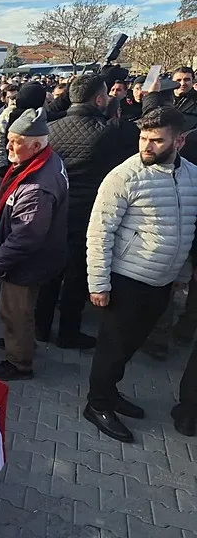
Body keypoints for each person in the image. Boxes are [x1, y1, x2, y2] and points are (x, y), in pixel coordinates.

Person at [83, 106, 197, 443]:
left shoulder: (191, 175)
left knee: (130, 345)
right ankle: (97, 403)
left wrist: (182, 272)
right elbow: (99, 233)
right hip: (126, 280)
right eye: (143, 138)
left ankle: (111, 391)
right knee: (111, 347)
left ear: (180, 140)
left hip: (162, 281)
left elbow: (188, 228)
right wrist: (99, 283)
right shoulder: (124, 176)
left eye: (156, 140)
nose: (146, 146)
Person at [35, 74, 138, 349]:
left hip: (54, 209)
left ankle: (41, 328)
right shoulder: (110, 133)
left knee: (50, 272)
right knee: (77, 275)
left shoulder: (50, 129)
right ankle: (68, 332)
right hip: (88, 214)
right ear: (100, 99)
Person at [0, 108, 69, 381]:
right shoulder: (45, 161)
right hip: (41, 257)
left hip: (27, 262)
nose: (8, 146)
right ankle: (19, 343)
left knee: (14, 311)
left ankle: (19, 361)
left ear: (34, 144)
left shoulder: (36, 186)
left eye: (15, 141)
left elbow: (25, 236)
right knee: (22, 309)